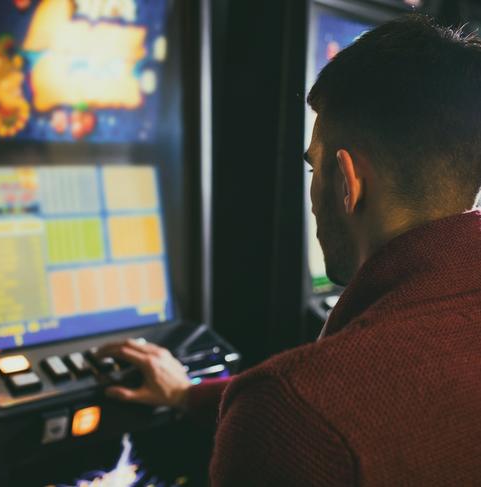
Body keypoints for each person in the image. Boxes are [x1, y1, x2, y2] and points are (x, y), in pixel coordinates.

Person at [99, 15, 481, 486]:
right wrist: (187, 393)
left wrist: (264, 407)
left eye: (312, 169)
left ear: (346, 181)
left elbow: (312, 409)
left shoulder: (299, 416)